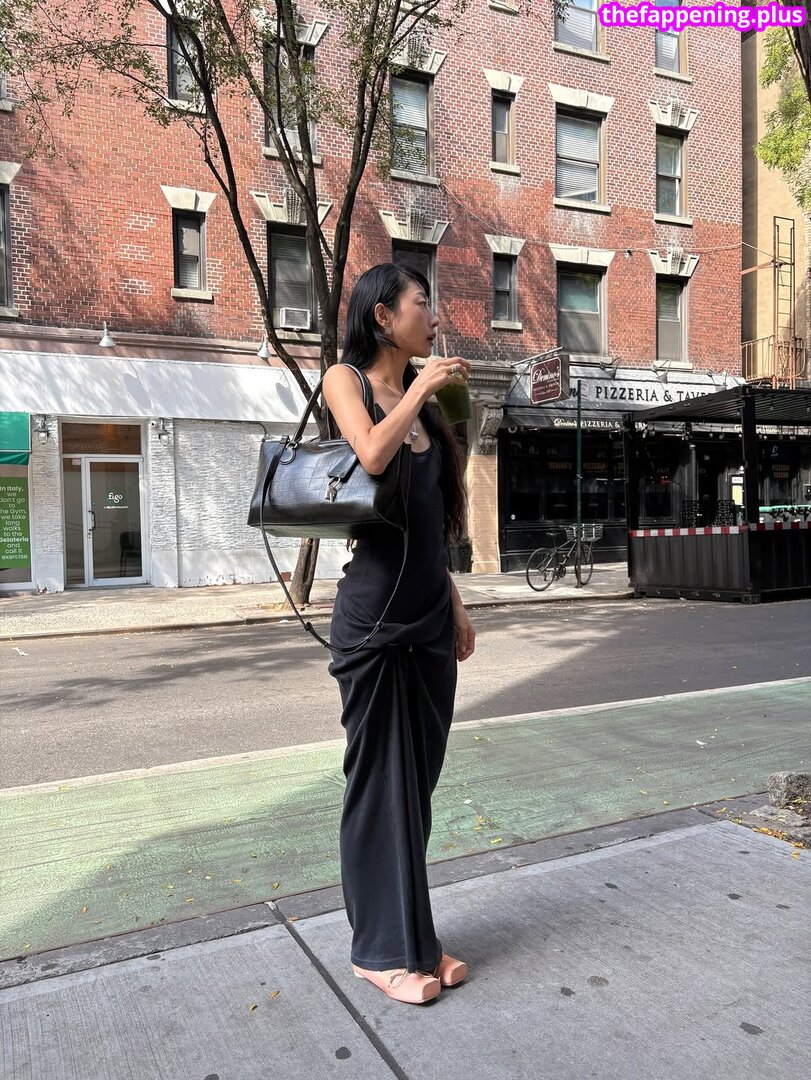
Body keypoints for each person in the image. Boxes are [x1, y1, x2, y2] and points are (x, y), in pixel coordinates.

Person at [321, 263, 476, 1005]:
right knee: (379, 786)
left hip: (428, 620)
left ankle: (417, 939)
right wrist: (420, 389)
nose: (433, 316)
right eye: (422, 303)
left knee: (415, 788)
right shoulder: (344, 380)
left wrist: (456, 604)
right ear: (383, 316)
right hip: (374, 623)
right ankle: (377, 951)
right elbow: (371, 455)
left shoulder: (428, 409)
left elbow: (428, 525)